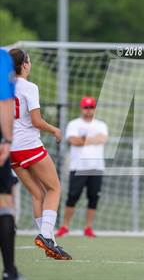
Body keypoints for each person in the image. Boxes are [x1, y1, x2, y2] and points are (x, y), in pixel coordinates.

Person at [8, 49, 71, 260]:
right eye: (29, 61)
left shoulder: (4, 87)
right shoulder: (29, 87)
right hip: (29, 146)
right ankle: (46, 236)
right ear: (25, 65)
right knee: (55, 188)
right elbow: (36, 121)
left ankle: (49, 242)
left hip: (12, 150)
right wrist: (54, 129)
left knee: (38, 195)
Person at [55, 96, 108, 238]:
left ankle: (88, 228)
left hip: (96, 167)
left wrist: (83, 139)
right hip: (78, 167)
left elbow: (102, 139)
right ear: (81, 108)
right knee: (72, 196)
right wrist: (93, 139)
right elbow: (73, 140)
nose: (89, 110)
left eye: (91, 107)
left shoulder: (101, 124)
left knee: (93, 198)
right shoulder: (74, 124)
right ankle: (65, 226)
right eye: (86, 107)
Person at [0, 49, 24, 280]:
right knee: (4, 202)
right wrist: (6, 139)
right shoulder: (2, 58)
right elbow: (6, 102)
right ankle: (10, 271)